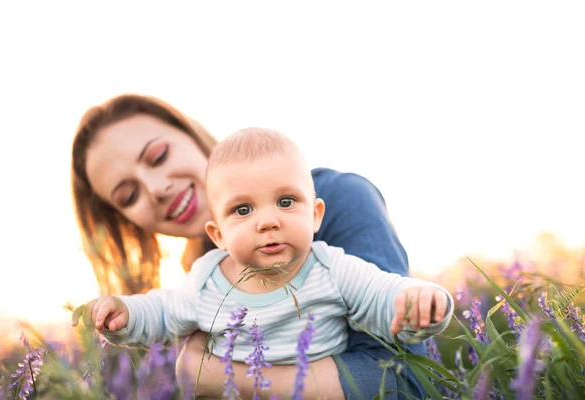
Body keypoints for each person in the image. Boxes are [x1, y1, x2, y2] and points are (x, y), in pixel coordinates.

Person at [71, 94, 430, 399]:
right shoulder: (204, 274)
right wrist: (124, 315)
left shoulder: (339, 200)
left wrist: (223, 376)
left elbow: (404, 379)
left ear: (190, 134)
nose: (156, 188)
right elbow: (160, 312)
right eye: (129, 195)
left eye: (159, 155)